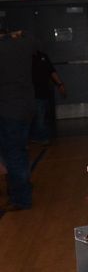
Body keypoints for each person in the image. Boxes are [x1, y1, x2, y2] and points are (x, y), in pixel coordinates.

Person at [0, 27, 34, 211]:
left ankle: (21, 198)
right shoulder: (23, 47)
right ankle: (22, 191)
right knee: (19, 152)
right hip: (25, 108)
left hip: (8, 110)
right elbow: (34, 39)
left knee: (13, 155)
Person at [30, 47, 66, 145]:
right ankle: (40, 137)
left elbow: (51, 71)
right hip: (32, 92)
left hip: (44, 91)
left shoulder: (43, 56)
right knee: (39, 115)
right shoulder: (25, 58)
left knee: (43, 114)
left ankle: (39, 136)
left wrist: (60, 84)